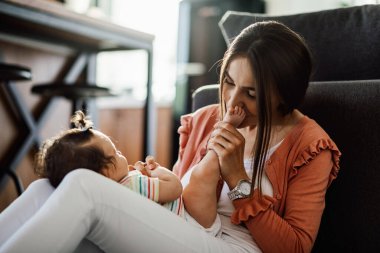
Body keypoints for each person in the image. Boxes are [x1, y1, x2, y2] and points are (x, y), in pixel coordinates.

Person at [0, 20, 341, 253]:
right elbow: (178, 197)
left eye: (251, 94)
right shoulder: (207, 119)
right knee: (46, 187)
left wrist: (237, 177)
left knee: (83, 187)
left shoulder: (310, 146)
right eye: (229, 83)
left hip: (236, 247)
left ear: (284, 94)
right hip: (187, 230)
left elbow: (295, 248)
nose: (233, 102)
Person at [33, 110, 184, 215]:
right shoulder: (133, 185)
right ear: (107, 171)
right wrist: (155, 171)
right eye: (116, 153)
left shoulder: (112, 195)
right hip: (186, 219)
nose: (120, 153)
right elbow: (176, 188)